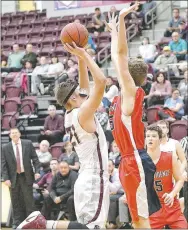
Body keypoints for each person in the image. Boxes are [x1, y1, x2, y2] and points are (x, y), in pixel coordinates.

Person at [17, 41, 109, 229]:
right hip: (94, 178)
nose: (85, 93)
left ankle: (44, 224)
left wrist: (80, 58)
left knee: (86, 226)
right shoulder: (82, 112)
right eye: (80, 93)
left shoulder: (70, 114)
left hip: (86, 177)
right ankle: (44, 223)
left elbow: (83, 87)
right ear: (73, 98)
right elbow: (101, 81)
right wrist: (86, 54)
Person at [108, 4, 160, 228]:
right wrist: (113, 31)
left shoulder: (131, 92)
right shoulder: (122, 95)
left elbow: (120, 54)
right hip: (129, 160)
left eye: (123, 71)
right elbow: (115, 55)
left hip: (135, 160)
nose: (119, 71)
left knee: (142, 220)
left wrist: (121, 19)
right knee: (138, 219)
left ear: (128, 75)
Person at [145, 125, 187, 229]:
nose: (150, 138)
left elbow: (180, 180)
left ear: (160, 140)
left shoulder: (170, 156)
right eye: (148, 136)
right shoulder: (140, 161)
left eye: (154, 136)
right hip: (152, 207)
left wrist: (172, 194)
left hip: (170, 204)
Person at [1, 127, 40, 229]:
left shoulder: (27, 143)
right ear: (10, 136)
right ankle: (16, 223)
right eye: (12, 133)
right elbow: (3, 164)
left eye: (16, 132)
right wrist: (6, 178)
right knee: (15, 201)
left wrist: (37, 171)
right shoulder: (5, 147)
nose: (14, 134)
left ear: (19, 134)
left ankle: (31, 222)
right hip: (13, 178)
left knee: (29, 201)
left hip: (26, 176)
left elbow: (35, 158)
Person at [107, 160, 124, 229]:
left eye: (109, 166)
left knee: (111, 198)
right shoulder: (105, 173)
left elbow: (114, 189)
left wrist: (107, 179)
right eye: (106, 166)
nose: (108, 168)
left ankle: (112, 222)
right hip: (114, 192)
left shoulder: (117, 174)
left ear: (113, 166)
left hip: (122, 193)